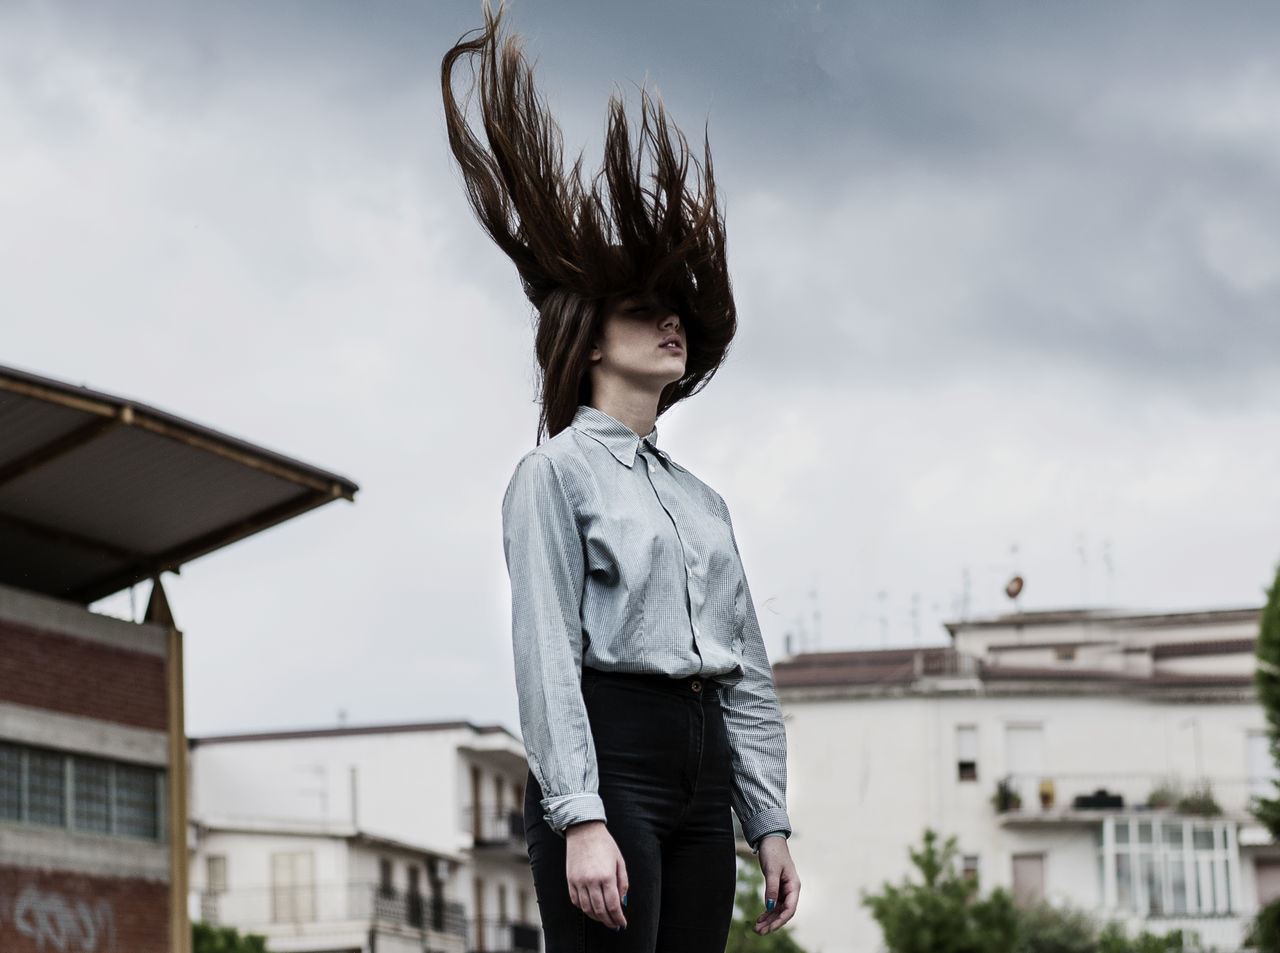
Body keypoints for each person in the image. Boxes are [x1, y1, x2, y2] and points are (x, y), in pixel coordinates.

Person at [442, 8, 799, 951]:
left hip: (703, 769)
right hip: (614, 752)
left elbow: (747, 669)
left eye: (676, 314)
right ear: (591, 341)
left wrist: (769, 818)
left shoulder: (702, 501)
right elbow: (547, 649)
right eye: (644, 313)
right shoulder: (553, 474)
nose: (670, 326)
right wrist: (580, 813)